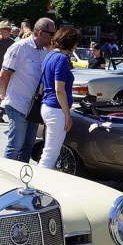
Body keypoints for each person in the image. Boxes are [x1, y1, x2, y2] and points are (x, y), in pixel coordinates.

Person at [0, 17, 55, 162]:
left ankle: (22, 172)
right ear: (40, 33)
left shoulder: (44, 51)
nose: (53, 37)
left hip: (33, 107)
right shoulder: (20, 47)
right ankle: (6, 173)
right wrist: (3, 95)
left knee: (28, 145)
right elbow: (4, 74)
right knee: (15, 145)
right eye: (51, 34)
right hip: (17, 103)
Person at [39, 26, 82, 170]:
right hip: (56, 109)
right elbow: (59, 90)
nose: (76, 47)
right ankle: (41, 180)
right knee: (50, 154)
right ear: (70, 42)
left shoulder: (50, 55)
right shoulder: (62, 59)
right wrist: (67, 115)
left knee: (49, 152)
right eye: (75, 43)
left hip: (47, 106)